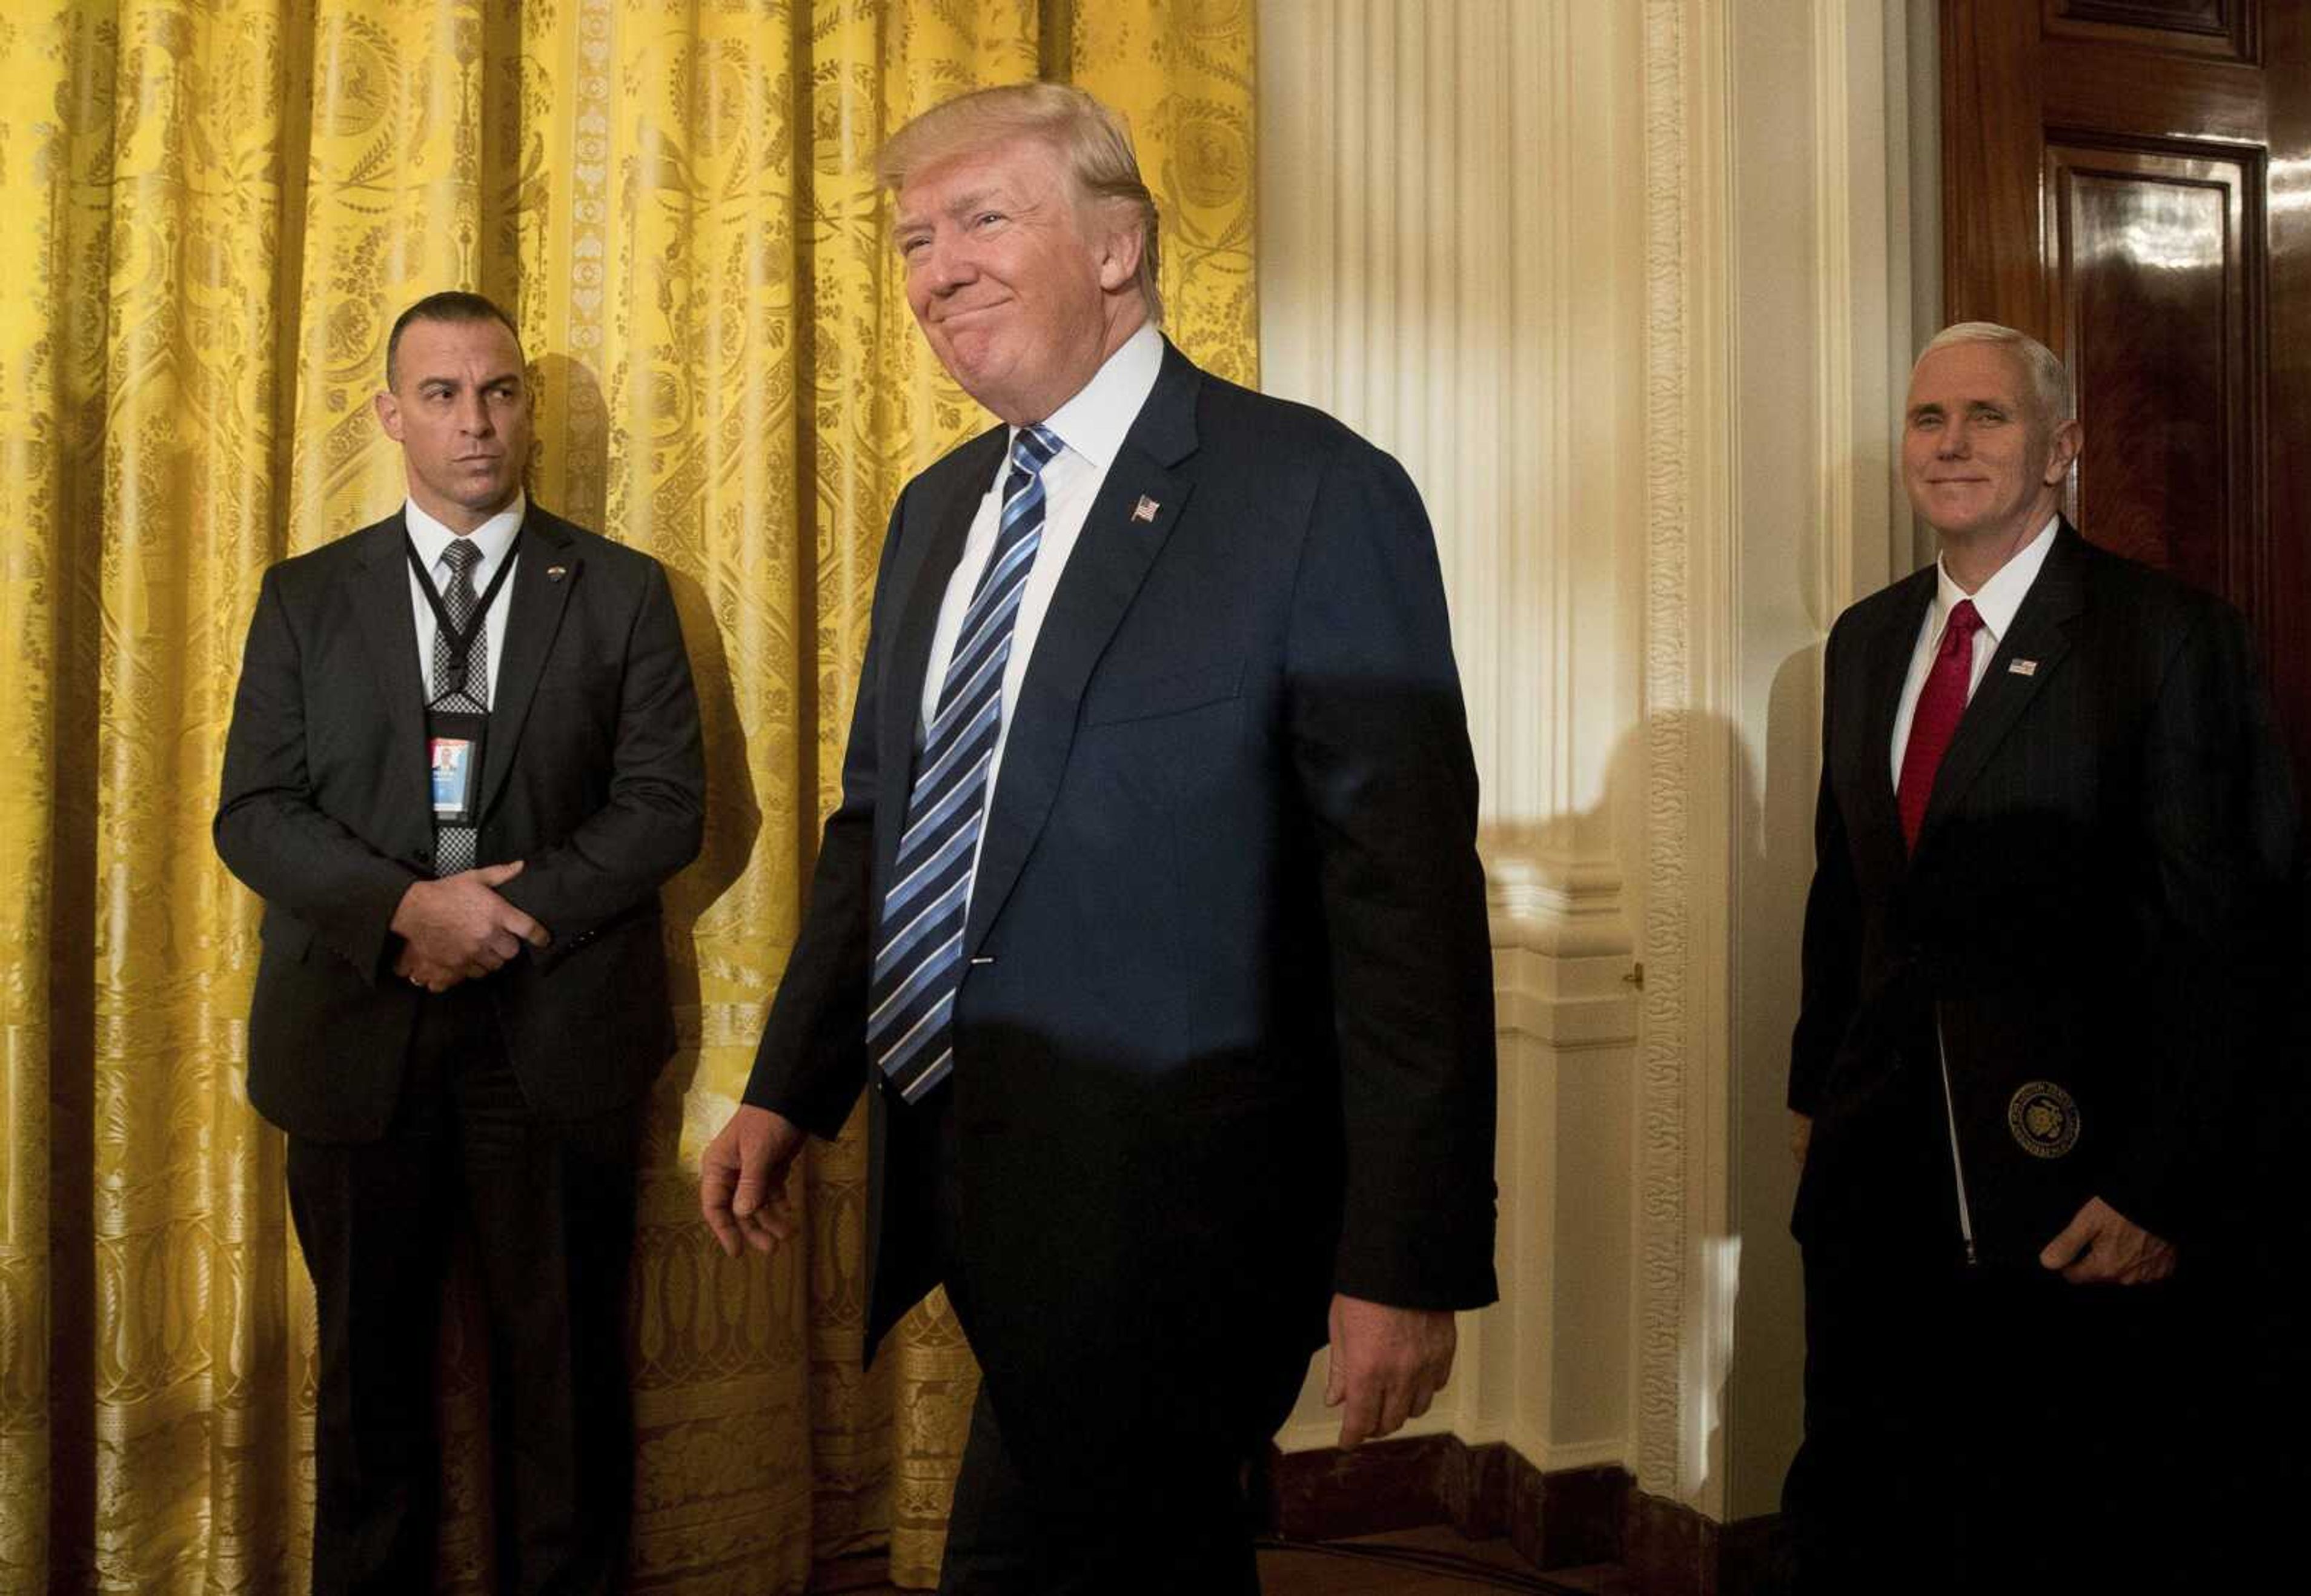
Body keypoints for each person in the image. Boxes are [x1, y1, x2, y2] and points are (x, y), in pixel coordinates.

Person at [697, 83, 1497, 1594]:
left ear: (1120, 246)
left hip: (1190, 1209)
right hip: (977, 1173)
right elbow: (886, 823)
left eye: (984, 220)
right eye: (917, 240)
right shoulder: (938, 512)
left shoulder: (1315, 492)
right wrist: (790, 1086)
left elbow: (1403, 907)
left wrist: (1405, 1253)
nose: (936, 271)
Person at [1782, 321, 2296, 1593]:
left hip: (2074, 1192)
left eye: (1987, 417)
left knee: (2053, 1526)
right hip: (1876, 1180)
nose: (1950, 444)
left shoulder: (2166, 637)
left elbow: (2231, 937)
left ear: (2061, 447)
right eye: (1927, 419)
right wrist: (1813, 1093)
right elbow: (1845, 891)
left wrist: (2163, 1186)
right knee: (1873, 1508)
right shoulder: (1863, 640)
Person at [215, 291, 705, 1595]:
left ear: (527, 407)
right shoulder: (305, 597)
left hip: (555, 1038)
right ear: (391, 415)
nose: (475, 421)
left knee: (563, 1386)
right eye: (441, 394)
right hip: (353, 1036)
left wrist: (497, 917)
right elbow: (253, 811)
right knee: (369, 1389)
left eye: (498, 390)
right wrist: (404, 912)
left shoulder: (623, 591)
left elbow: (666, 806)